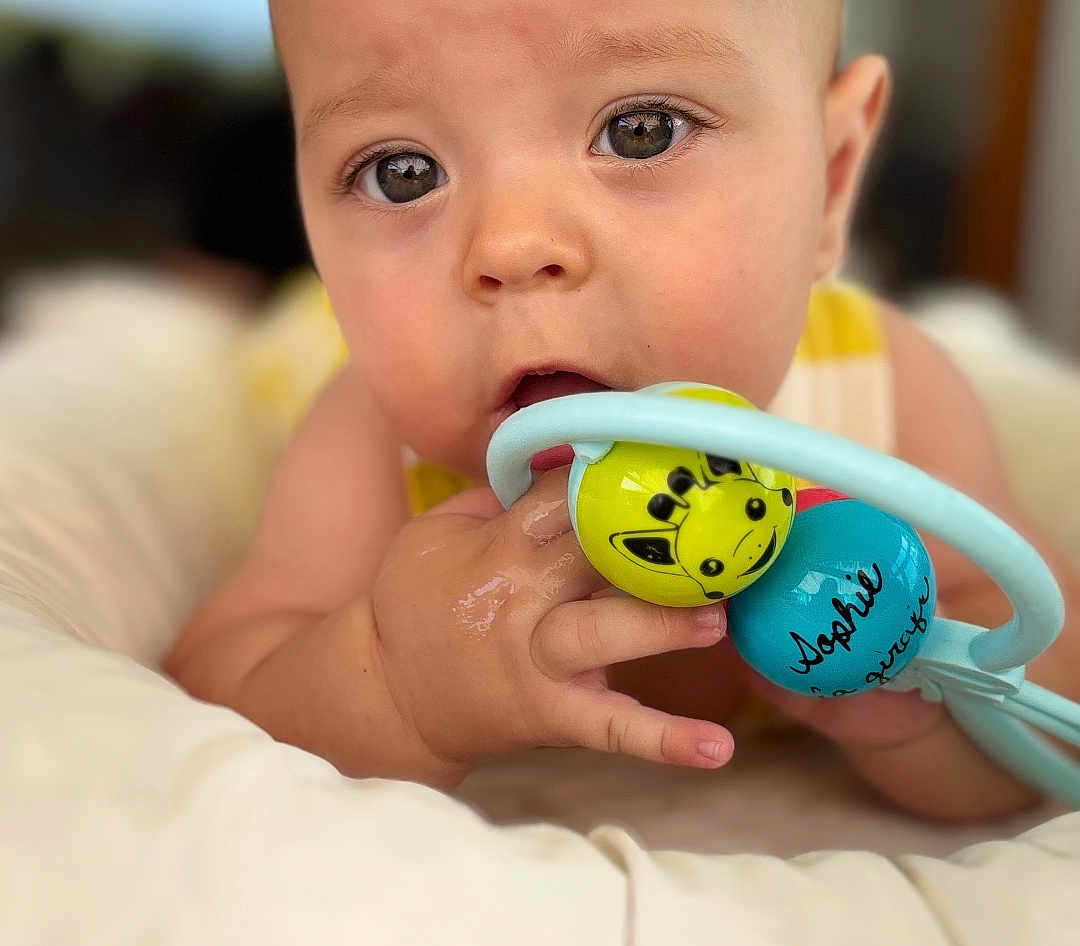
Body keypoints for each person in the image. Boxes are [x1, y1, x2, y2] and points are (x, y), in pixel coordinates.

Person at [165, 0, 1080, 820]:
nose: (513, 245)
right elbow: (221, 693)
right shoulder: (373, 434)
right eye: (402, 173)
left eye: (640, 131)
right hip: (304, 345)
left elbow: (1052, 694)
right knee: (256, 340)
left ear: (833, 179)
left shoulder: (876, 389)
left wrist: (916, 707)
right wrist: (393, 681)